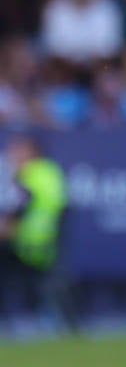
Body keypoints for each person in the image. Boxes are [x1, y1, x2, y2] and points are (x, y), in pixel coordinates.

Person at [0, 130, 75, 331]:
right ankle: (57, 324)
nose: (12, 154)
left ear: (31, 151)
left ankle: (41, 323)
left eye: (17, 150)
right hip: (44, 240)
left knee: (43, 284)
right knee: (47, 284)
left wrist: (8, 226)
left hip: (32, 241)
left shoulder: (31, 173)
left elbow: (22, 205)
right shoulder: (50, 171)